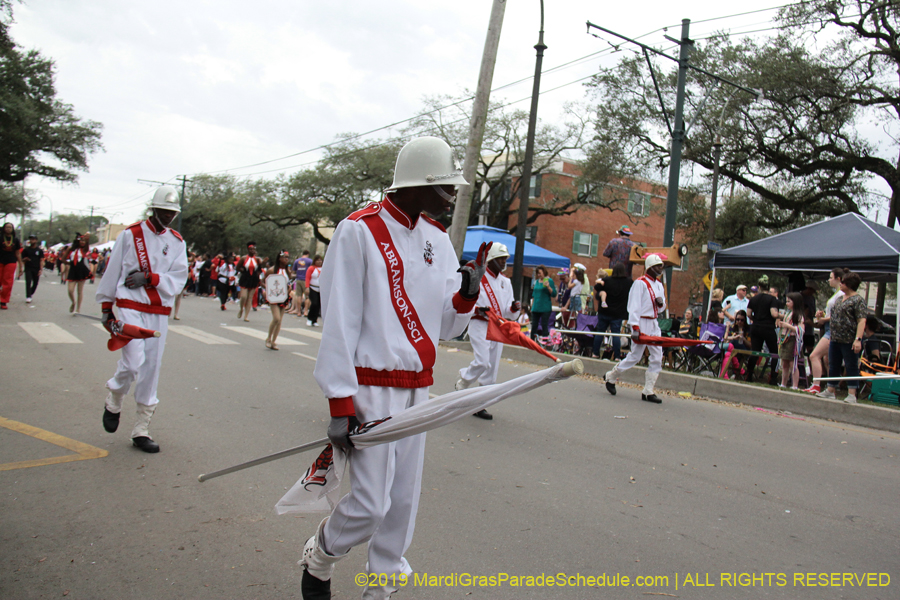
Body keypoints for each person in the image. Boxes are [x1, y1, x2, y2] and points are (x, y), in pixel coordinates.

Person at [299, 136, 486, 600]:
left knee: (401, 504)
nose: (452, 195)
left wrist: (466, 294)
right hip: (369, 387)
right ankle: (322, 554)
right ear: (419, 184)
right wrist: (340, 403)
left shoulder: (437, 238)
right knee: (370, 505)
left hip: (417, 388)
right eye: (446, 186)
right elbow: (339, 321)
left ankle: (381, 588)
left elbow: (445, 326)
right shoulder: (357, 230)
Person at [96, 186, 188, 453]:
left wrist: (150, 278)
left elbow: (179, 278)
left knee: (151, 368)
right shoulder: (130, 235)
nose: (169, 216)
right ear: (154, 209)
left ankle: (141, 429)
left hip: (158, 311)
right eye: (164, 211)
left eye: (172, 212)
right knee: (133, 361)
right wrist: (106, 307)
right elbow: (113, 271)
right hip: (129, 306)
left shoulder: (177, 242)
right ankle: (115, 397)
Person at [456, 243, 521, 420]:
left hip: (497, 327)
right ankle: (464, 380)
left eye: (505, 259)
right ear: (491, 259)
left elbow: (508, 313)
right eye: (500, 258)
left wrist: (514, 309)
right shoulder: (479, 277)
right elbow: (466, 301)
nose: (503, 262)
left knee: (492, 369)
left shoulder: (506, 282)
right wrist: (478, 310)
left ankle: (480, 404)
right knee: (483, 362)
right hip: (480, 324)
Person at [603, 254, 667, 403]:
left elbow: (662, 307)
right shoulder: (640, 283)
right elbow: (634, 306)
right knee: (635, 356)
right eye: (657, 266)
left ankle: (648, 390)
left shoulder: (659, 284)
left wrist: (661, 304)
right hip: (641, 322)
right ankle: (611, 376)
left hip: (654, 323)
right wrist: (635, 327)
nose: (660, 269)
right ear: (650, 267)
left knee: (657, 356)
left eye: (661, 266)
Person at [817, 272, 867, 403]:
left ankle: (852, 394)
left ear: (849, 284)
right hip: (835, 338)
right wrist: (822, 317)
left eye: (843, 282)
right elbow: (834, 317)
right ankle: (830, 389)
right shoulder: (839, 299)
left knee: (851, 365)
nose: (841, 284)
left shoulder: (858, 300)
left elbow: (861, 320)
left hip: (849, 339)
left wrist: (858, 339)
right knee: (833, 363)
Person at [804, 268, 846, 394]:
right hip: (829, 327)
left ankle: (817, 385)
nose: (828, 280)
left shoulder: (841, 294)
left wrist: (823, 319)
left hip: (832, 329)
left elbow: (838, 315)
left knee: (814, 355)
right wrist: (822, 315)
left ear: (838, 279)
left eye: (831, 277)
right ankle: (830, 388)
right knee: (828, 360)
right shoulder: (836, 293)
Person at [591, 263, 630, 360]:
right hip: (618, 313)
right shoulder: (628, 282)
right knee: (615, 334)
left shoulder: (607, 280)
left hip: (604, 312)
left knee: (600, 332)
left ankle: (595, 353)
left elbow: (596, 288)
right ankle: (617, 356)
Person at [745, 280, 781, 382]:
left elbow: (748, 313)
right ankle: (773, 377)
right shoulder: (772, 299)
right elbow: (774, 314)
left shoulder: (753, 299)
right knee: (774, 353)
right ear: (768, 288)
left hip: (756, 327)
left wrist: (754, 319)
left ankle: (749, 374)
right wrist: (782, 316)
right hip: (768, 328)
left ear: (759, 287)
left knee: (755, 351)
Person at [264, 250, 294, 350]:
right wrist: (268, 289)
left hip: (284, 297)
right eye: (285, 257)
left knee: (280, 320)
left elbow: (289, 283)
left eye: (288, 257)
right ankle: (268, 338)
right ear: (279, 258)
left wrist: (289, 288)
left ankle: (274, 341)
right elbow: (263, 282)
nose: (286, 259)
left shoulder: (288, 271)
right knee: (276, 318)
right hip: (273, 297)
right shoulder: (272, 270)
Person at [777, 292, 805, 389]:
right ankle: (783, 383)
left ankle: (795, 385)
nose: (786, 303)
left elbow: (801, 330)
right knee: (784, 363)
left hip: (792, 340)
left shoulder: (798, 315)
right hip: (784, 339)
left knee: (793, 364)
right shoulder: (787, 313)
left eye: (789, 301)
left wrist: (788, 326)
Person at [66, 233, 92, 313]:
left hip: (81, 271)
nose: (83, 242)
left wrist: (87, 238)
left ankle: (78, 309)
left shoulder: (84, 249)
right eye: (81, 240)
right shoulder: (71, 249)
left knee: (79, 291)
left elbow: (87, 246)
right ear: (78, 240)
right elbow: (63, 259)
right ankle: (73, 302)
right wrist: (69, 263)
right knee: (70, 290)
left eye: (84, 241)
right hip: (72, 271)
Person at [0, 222, 24, 309]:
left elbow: (18, 253)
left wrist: (21, 266)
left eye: (10, 227)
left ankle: (3, 301)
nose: (8, 229)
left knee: (8, 282)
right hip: (0, 261)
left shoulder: (15, 240)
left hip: (11, 262)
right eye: (7, 227)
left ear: (12, 229)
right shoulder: (0, 237)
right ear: (4, 228)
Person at [529, 266, 556, 341]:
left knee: (544, 325)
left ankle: (545, 341)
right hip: (536, 307)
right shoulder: (536, 282)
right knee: (534, 325)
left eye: (540, 273)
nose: (539, 275)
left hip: (545, 307)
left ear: (544, 272)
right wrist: (532, 306)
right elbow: (534, 294)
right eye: (537, 273)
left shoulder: (549, 281)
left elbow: (554, 294)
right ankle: (532, 341)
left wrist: (548, 287)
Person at [237, 242, 262, 322]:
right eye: (251, 249)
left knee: (250, 298)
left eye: (253, 249)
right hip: (245, 278)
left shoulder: (257, 259)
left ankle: (246, 316)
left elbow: (260, 269)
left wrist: (258, 275)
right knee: (244, 296)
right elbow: (237, 267)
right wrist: (243, 270)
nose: (252, 250)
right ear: (248, 250)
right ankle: (241, 309)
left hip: (254, 279)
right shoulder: (243, 258)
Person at [21, 235, 44, 304]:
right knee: (28, 282)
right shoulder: (26, 250)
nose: (32, 240)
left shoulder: (39, 250)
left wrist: (41, 269)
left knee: (35, 283)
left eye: (33, 239)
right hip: (28, 268)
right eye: (30, 239)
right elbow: (22, 259)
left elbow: (41, 260)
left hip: (36, 268)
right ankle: (28, 296)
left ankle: (31, 292)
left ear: (36, 240)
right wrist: (25, 259)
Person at [290, 250, 312, 316]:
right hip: (306, 280)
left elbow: (293, 271)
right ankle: (305, 311)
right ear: (308, 254)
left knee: (298, 296)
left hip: (298, 279)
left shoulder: (297, 261)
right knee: (307, 296)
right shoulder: (310, 261)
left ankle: (299, 311)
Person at [305, 255, 323, 327]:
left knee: (318, 305)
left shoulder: (323, 268)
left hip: (320, 289)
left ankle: (314, 320)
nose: (319, 261)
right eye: (317, 260)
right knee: (314, 303)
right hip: (313, 288)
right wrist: (307, 287)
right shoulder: (311, 268)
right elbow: (307, 278)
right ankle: (309, 318)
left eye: (320, 260)